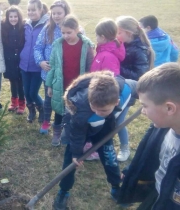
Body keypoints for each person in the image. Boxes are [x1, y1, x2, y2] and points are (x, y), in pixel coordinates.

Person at [52, 71, 138, 210]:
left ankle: (116, 187)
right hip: (79, 129)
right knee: (70, 160)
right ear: (90, 100)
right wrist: (76, 153)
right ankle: (63, 191)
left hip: (103, 127)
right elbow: (77, 134)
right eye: (94, 108)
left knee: (109, 155)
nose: (98, 112)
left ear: (116, 102)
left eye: (103, 110)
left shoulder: (125, 89)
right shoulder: (79, 107)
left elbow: (142, 87)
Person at [118, 63, 180, 210]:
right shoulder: (162, 126)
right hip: (156, 195)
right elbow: (147, 152)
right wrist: (131, 170)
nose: (143, 112)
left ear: (169, 108)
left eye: (145, 106)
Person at [45, 15, 94, 146]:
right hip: (61, 84)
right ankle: (57, 132)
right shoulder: (58, 45)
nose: (65, 35)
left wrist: (88, 85)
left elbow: (90, 67)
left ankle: (71, 134)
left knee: (75, 110)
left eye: (69, 32)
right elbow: (53, 65)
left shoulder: (86, 45)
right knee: (59, 109)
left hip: (78, 85)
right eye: (63, 32)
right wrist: (49, 85)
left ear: (77, 29)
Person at [90, 18, 130, 161]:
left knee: (115, 123)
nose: (95, 38)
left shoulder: (108, 56)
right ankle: (96, 147)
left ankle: (121, 148)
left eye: (96, 35)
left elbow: (110, 80)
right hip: (100, 94)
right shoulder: (102, 50)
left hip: (108, 97)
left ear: (103, 37)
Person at [33, 0, 71, 134]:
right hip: (48, 72)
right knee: (48, 98)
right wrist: (41, 62)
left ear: (66, 13)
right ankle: (45, 122)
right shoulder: (47, 28)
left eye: (59, 13)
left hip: (65, 72)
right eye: (53, 13)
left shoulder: (72, 29)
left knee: (62, 99)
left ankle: (59, 124)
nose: (56, 16)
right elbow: (37, 47)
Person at [20, 0, 49, 123]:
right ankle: (31, 111)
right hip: (24, 65)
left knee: (33, 92)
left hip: (37, 66)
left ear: (40, 10)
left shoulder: (47, 25)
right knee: (26, 92)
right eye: (29, 10)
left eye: (34, 10)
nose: (31, 12)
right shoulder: (26, 24)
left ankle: (41, 109)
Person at [1, 6, 25, 114]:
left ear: (19, 17)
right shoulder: (4, 28)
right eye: (11, 16)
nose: (13, 19)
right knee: (12, 81)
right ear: (7, 17)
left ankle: (21, 104)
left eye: (15, 16)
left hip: (20, 59)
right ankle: (14, 102)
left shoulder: (23, 27)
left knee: (20, 82)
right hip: (9, 59)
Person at [116, 16, 154, 81]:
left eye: (119, 33)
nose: (116, 35)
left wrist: (118, 67)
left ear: (129, 33)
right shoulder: (124, 44)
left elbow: (140, 76)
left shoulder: (140, 50)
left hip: (133, 87)